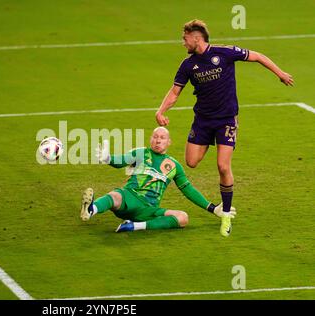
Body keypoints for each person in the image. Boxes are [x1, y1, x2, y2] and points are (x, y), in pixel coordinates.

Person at [155, 19, 293, 236]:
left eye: (185, 39)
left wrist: (280, 73)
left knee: (222, 166)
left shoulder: (225, 53)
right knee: (191, 162)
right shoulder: (188, 65)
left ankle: (226, 212)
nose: (183, 43)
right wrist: (161, 111)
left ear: (196, 37)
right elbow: (174, 92)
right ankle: (208, 142)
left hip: (227, 119)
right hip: (202, 120)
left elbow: (256, 56)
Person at [80, 127, 236, 235]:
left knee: (183, 218)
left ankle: (133, 226)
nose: (158, 140)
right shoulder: (140, 153)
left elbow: (188, 190)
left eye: (162, 138)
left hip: (149, 210)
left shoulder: (174, 166)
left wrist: (212, 208)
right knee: (114, 196)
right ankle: (91, 209)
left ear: (169, 142)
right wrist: (108, 158)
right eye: (155, 137)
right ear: (150, 139)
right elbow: (121, 160)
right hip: (130, 197)